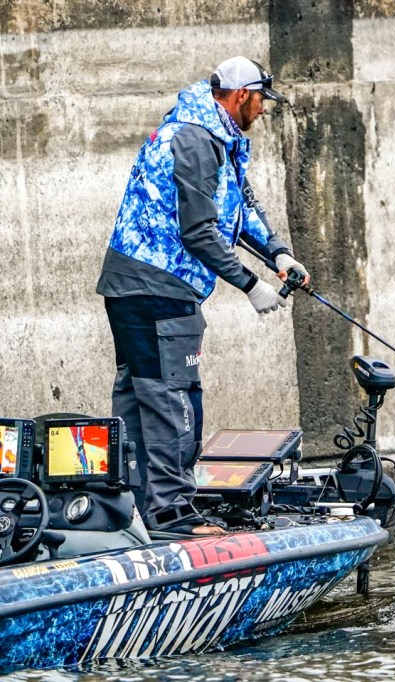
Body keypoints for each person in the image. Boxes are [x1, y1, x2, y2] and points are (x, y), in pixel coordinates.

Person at [96, 56, 309, 536]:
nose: (263, 109)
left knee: (141, 396)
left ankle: (135, 511)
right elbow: (198, 231)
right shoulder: (194, 140)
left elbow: (237, 207)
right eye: (261, 100)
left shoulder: (214, 134)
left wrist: (277, 254)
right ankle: (171, 515)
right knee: (172, 398)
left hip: (143, 285)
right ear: (241, 95)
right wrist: (251, 285)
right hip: (155, 287)